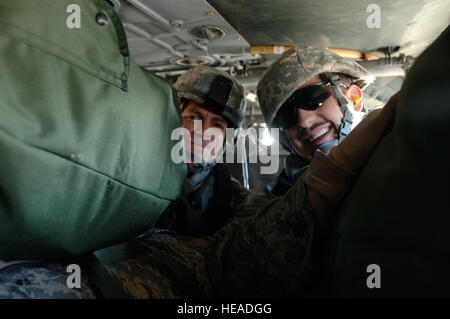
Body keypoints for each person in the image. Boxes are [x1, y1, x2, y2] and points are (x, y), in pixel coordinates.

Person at [256, 47, 369, 196]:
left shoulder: (401, 156)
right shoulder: (275, 204)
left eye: (313, 98)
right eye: (285, 114)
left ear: (355, 98)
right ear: (284, 137)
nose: (304, 121)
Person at [156, 65, 249, 237]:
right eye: (193, 117)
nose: (203, 132)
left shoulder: (236, 201)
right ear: (171, 118)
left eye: (217, 125)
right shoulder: (132, 176)